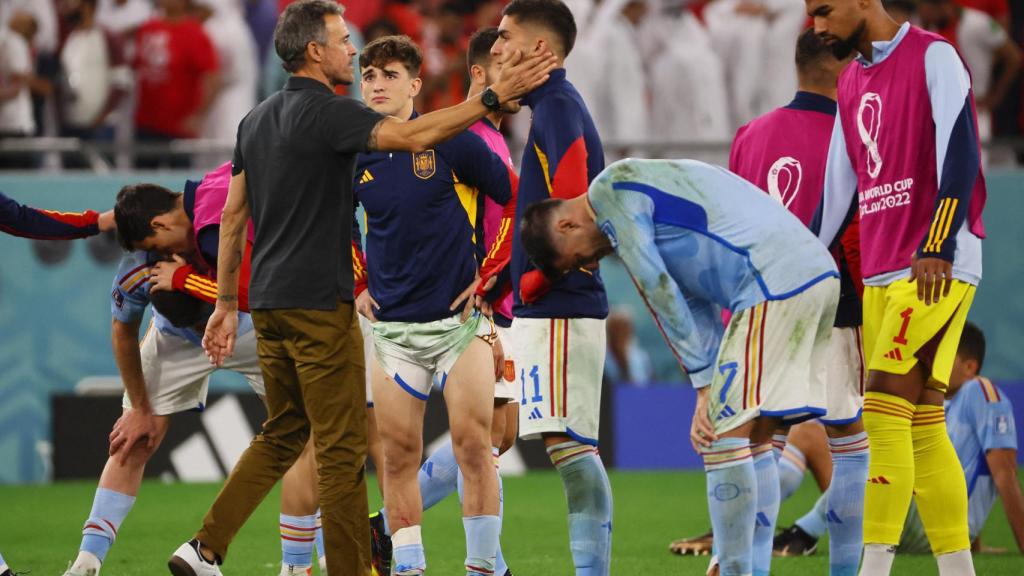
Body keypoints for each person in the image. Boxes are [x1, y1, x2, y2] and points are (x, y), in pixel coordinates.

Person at [173, 0, 556, 574]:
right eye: (346, 45)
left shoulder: (254, 120)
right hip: (345, 314)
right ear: (314, 52)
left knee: (290, 434)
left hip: (298, 307)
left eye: (382, 71)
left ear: (414, 82)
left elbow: (233, 217)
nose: (356, 59)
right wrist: (491, 100)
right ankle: (369, 568)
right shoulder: (337, 120)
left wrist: (227, 303)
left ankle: (204, 549)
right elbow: (405, 145)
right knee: (355, 450)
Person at [520, 157, 840, 576]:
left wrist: (704, 384)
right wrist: (706, 372)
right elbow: (695, 301)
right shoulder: (648, 194)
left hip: (773, 283)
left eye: (575, 260)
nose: (589, 266)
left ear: (566, 227)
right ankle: (745, 565)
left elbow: (654, 284)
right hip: (812, 275)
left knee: (720, 436)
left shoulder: (609, 193)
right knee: (759, 436)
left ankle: (733, 566)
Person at [59, 167, 318, 576]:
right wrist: (141, 406)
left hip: (251, 322)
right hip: (176, 338)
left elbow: (260, 288)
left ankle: (299, 564)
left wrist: (187, 281)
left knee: (306, 435)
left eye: (152, 245)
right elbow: (122, 332)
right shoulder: (139, 268)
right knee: (135, 437)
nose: (153, 255)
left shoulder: (224, 206)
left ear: (160, 223)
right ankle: (87, 562)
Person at [808, 0, 987, 572]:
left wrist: (938, 241)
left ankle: (874, 568)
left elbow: (960, 149)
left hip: (933, 264)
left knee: (882, 410)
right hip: (881, 276)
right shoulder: (851, 83)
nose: (816, 27)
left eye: (824, 11)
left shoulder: (934, 56)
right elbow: (838, 193)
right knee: (924, 424)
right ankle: (958, 569)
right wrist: (804, 268)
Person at [353, 34, 516, 576]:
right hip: (393, 333)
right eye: (369, 76)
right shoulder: (356, 153)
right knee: (397, 459)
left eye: (390, 75)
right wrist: (358, 283)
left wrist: (492, 273)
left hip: (458, 326)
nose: (376, 84)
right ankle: (408, 567)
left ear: (415, 85)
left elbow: (516, 198)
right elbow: (333, 225)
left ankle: (482, 568)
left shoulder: (453, 141)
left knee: (476, 448)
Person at [729, 28, 867, 576]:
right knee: (849, 438)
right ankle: (849, 569)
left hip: (765, 309)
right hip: (839, 303)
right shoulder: (856, 136)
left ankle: (755, 567)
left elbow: (732, 233)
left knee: (764, 438)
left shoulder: (751, 136)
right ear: (844, 69)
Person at [488, 2, 614, 573]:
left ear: (543, 51)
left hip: (560, 307)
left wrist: (534, 282)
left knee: (569, 450)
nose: (495, 47)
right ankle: (390, 528)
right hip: (543, 307)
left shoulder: (559, 107)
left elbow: (574, 224)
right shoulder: (549, 109)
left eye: (506, 36)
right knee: (490, 430)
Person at [775, 323, 1024, 558]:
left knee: (884, 449)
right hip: (906, 514)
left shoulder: (980, 390)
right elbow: (966, 470)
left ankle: (804, 534)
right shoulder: (935, 401)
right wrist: (975, 543)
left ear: (970, 368)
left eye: (946, 354)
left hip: (933, 527)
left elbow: (1005, 475)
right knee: (808, 433)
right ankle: (756, 521)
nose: (936, 360)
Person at [915, 0, 1021, 149]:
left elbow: (1014, 57)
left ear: (944, 6)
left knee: (976, 166)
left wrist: (995, 96)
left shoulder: (979, 23)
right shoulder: (929, 30)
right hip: (937, 112)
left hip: (974, 109)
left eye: (927, 11)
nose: (925, 17)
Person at [132, 0, 220, 168]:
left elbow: (213, 78)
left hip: (179, 129)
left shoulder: (195, 33)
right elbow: (137, 68)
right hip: (146, 123)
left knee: (178, 187)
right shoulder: (147, 29)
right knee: (143, 186)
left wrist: (198, 115)